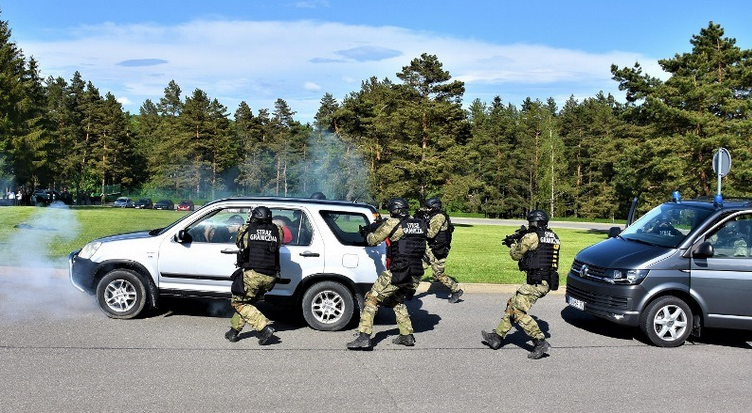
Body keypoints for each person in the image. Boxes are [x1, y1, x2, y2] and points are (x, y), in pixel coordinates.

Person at [347, 197, 427, 350]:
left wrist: (367, 234)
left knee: (371, 298)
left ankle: (364, 336)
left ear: (394, 210)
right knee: (396, 299)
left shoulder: (392, 223)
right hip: (416, 273)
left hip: (400, 271)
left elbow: (373, 240)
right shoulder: (419, 224)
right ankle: (406, 335)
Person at [481, 209, 560, 359]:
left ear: (534, 222)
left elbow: (515, 255)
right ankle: (497, 338)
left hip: (536, 281)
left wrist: (512, 244)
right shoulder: (554, 236)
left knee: (517, 311)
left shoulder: (532, 237)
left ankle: (539, 341)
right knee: (512, 304)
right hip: (546, 280)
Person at [225, 206, 285, 345]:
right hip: (271, 276)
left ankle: (264, 329)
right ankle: (233, 332)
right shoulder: (278, 230)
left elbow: (240, 244)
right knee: (248, 303)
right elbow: (278, 244)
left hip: (254, 274)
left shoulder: (247, 229)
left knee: (238, 303)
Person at [415, 197, 463, 303]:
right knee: (418, 267)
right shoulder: (436, 215)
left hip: (438, 250)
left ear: (434, 207)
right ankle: (409, 291)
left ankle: (456, 290)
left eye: (429, 208)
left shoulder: (439, 217)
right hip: (433, 249)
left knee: (438, 275)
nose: (427, 210)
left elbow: (431, 234)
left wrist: (421, 225)